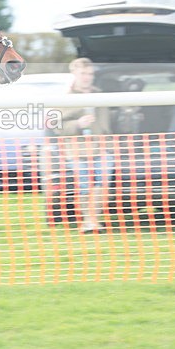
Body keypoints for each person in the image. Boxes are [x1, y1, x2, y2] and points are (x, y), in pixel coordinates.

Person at [54, 58, 113, 233]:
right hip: (76, 151)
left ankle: (92, 221)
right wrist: (78, 124)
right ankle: (89, 221)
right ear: (74, 74)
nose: (87, 77)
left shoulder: (100, 95)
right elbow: (56, 126)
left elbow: (107, 125)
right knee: (85, 184)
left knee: (102, 182)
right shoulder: (64, 99)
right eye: (83, 73)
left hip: (102, 149)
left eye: (90, 74)